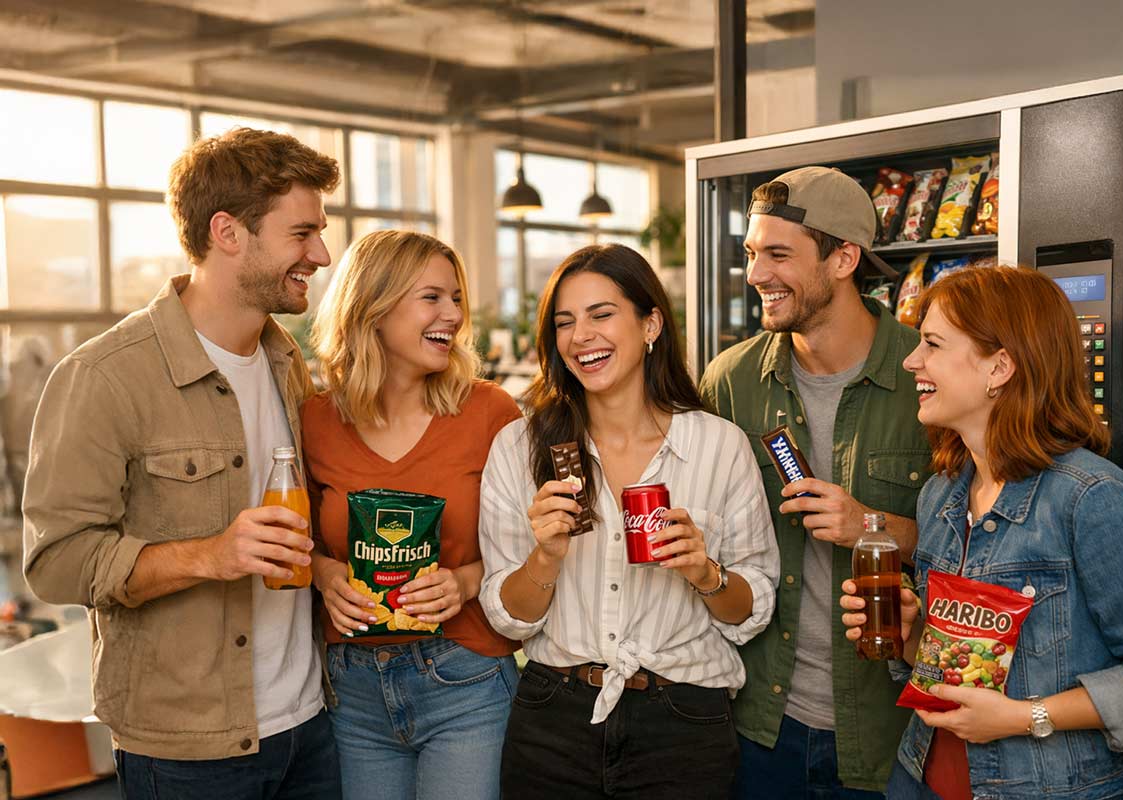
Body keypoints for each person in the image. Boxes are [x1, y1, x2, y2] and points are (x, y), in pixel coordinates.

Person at [22, 128, 342, 799]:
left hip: (312, 728)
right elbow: (56, 560)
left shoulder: (288, 364)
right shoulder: (105, 376)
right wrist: (211, 555)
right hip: (188, 752)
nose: (321, 253)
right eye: (301, 233)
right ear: (228, 232)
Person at [840, 265, 1123, 799]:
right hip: (920, 778)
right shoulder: (942, 493)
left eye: (933, 344)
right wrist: (912, 632)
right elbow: (958, 670)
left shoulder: (1090, 498)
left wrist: (1022, 717)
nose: (912, 360)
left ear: (1000, 367)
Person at [478, 243, 779, 799]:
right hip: (554, 718)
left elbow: (752, 610)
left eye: (601, 314)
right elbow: (509, 619)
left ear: (651, 325)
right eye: (564, 322)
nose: (580, 336)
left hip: (683, 724)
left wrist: (703, 571)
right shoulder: (520, 447)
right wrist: (545, 555)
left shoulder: (718, 447)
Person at [698, 166, 929, 797]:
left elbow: (983, 548)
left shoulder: (925, 376)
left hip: (890, 727)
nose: (755, 275)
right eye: (751, 254)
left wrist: (869, 526)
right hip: (760, 726)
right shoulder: (730, 382)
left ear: (843, 258)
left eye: (778, 254)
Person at [303, 230, 521, 799]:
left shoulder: (489, 411)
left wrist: (464, 582)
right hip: (353, 691)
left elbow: (530, 551)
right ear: (373, 306)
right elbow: (297, 543)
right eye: (432, 297)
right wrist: (326, 576)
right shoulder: (315, 419)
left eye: (455, 298)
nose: (453, 313)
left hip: (465, 679)